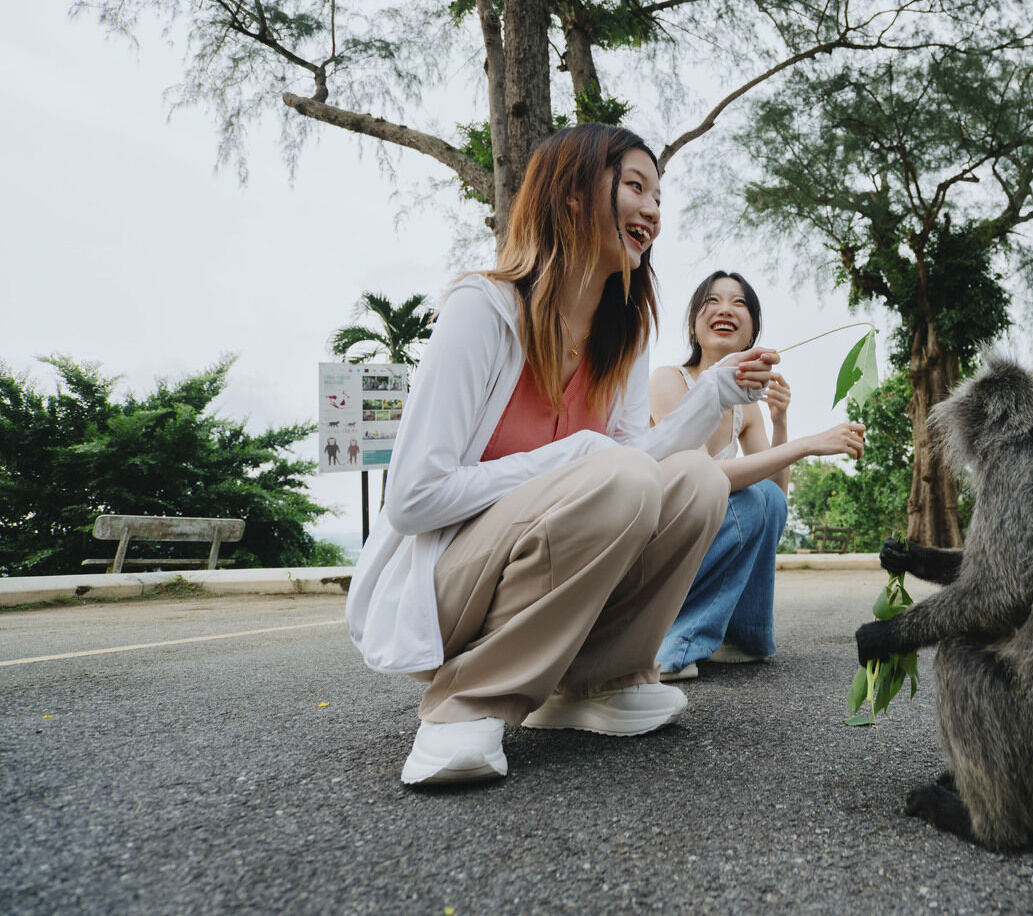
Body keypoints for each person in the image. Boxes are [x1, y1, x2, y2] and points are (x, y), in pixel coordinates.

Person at [344, 124, 780, 786]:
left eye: (658, 195)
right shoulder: (483, 310)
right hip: (451, 581)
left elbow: (639, 464)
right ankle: (468, 700)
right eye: (635, 186)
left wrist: (715, 392)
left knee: (697, 480)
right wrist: (575, 453)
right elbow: (412, 498)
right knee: (620, 469)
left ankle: (596, 680)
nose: (653, 209)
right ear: (574, 195)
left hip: (543, 562)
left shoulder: (624, 337)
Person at [650, 271, 865, 680]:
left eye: (739, 303)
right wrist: (805, 444)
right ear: (695, 322)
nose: (726, 309)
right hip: (665, 548)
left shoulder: (746, 408)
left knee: (765, 499)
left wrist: (780, 421)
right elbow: (703, 481)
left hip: (707, 545)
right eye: (712, 301)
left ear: (752, 330)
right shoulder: (668, 380)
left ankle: (741, 636)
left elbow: (774, 499)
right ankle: (673, 643)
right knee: (742, 495)